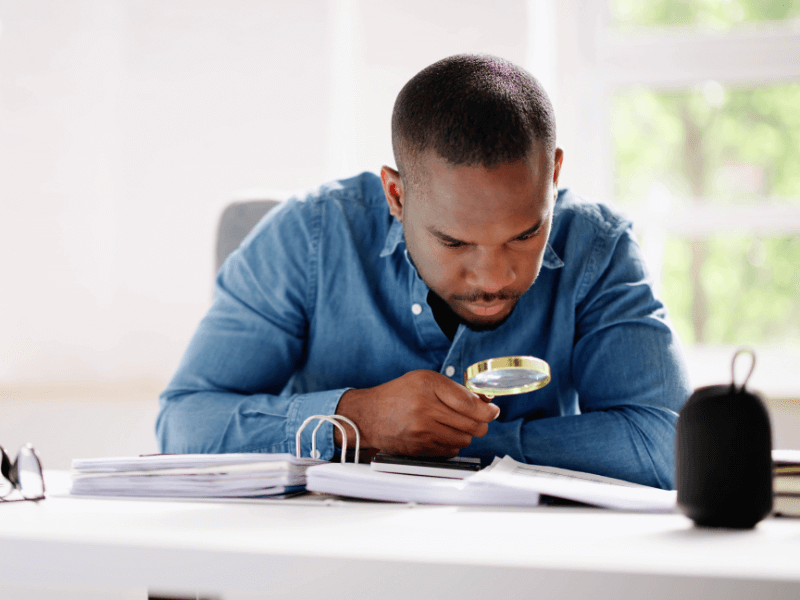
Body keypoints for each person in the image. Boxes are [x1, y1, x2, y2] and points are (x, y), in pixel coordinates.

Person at [156, 54, 691, 490]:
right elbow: (182, 425)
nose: (493, 277)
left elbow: (667, 445)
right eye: (455, 241)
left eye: (525, 234)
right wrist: (357, 418)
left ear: (552, 175)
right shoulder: (307, 237)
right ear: (396, 194)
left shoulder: (599, 249)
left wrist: (454, 443)